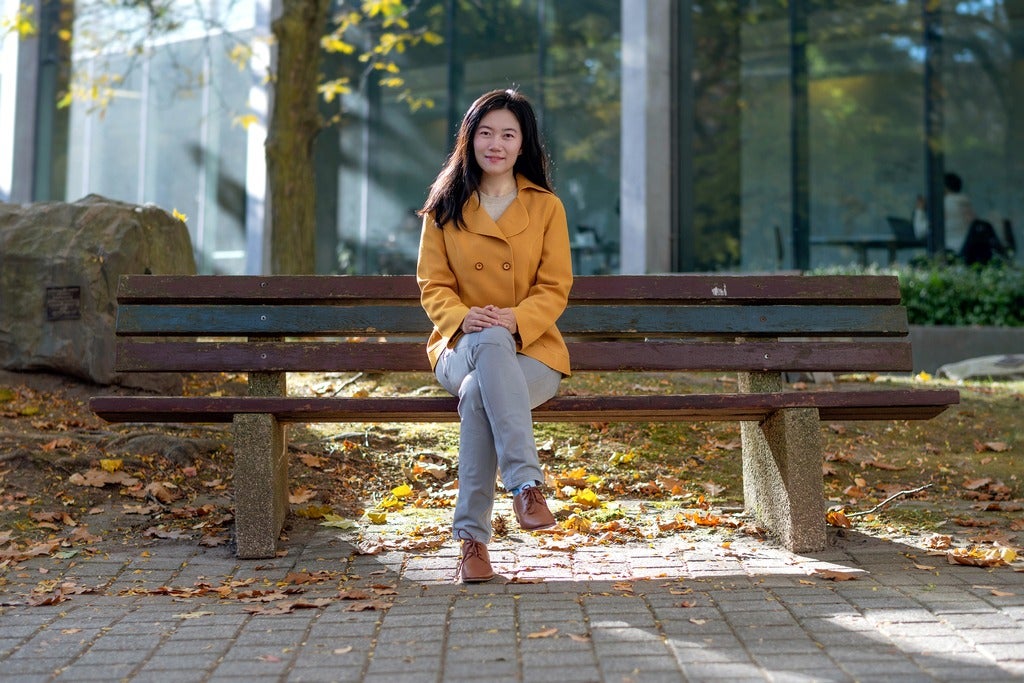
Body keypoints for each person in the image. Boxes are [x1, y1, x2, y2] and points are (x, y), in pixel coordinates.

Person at [415, 88, 573, 583]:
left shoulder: (546, 208)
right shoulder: (446, 206)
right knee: (484, 344)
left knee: (480, 391)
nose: (496, 144)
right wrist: (466, 318)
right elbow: (432, 285)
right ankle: (527, 484)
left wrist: (515, 319)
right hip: (458, 344)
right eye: (486, 133)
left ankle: (471, 544)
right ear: (470, 138)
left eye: (508, 134)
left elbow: (555, 287)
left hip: (534, 352)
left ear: (523, 143)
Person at [912, 172, 976, 253]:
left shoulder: (943, 206)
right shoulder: (967, 204)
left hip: (952, 253)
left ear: (943, 187)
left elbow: (920, 232)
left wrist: (919, 210)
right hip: (969, 252)